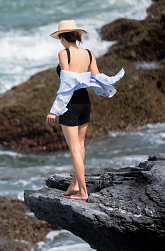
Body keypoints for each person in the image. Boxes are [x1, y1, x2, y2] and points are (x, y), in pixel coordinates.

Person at [46, 20, 124, 200]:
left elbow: (67, 83)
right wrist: (104, 91)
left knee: (74, 148)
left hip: (70, 105)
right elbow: (97, 78)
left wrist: (54, 110)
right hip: (85, 103)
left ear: (62, 38)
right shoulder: (89, 53)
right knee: (80, 146)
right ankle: (74, 184)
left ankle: (83, 191)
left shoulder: (64, 53)